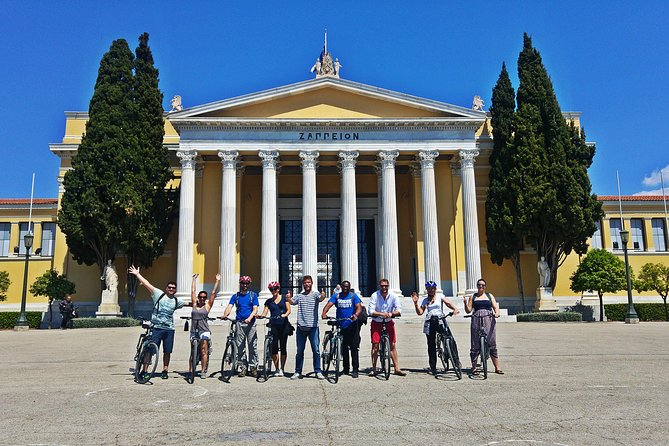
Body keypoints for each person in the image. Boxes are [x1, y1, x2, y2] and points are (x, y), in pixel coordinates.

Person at [128, 265, 189, 379]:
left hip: (169, 329)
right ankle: (145, 370)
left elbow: (190, 304)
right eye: (169, 287)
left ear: (175, 290)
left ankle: (165, 370)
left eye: (173, 288)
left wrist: (203, 303)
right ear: (166, 289)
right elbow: (147, 284)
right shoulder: (158, 294)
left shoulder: (177, 301)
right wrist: (137, 274)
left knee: (167, 351)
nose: (171, 289)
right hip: (156, 327)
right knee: (150, 351)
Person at [411, 281, 459, 375]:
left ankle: (456, 361)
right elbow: (420, 312)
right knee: (431, 345)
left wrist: (455, 309)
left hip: (440, 320)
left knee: (451, 339)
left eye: (432, 288)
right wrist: (416, 304)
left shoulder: (440, 297)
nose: (431, 290)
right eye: (429, 289)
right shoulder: (425, 301)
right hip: (430, 321)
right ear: (427, 290)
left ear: (435, 289)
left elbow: (448, 303)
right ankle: (433, 366)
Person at [287, 275, 326, 380]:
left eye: (308, 282)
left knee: (316, 351)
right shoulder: (299, 296)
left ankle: (318, 371)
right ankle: (298, 371)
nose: (307, 284)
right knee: (300, 351)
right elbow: (292, 302)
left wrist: (323, 295)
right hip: (301, 327)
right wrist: (288, 298)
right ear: (302, 284)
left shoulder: (315, 295)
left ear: (312, 283)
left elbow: (321, 298)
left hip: (313, 327)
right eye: (305, 283)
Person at [321, 280, 362, 378]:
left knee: (353, 348)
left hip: (352, 325)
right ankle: (346, 368)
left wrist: (356, 314)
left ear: (349, 287)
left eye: (347, 286)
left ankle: (355, 369)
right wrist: (324, 312)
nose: (345, 288)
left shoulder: (353, 296)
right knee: (343, 348)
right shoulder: (337, 296)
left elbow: (359, 307)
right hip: (341, 324)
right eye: (344, 286)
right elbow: (329, 304)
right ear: (341, 287)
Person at [463, 278, 504, 375]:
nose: (481, 286)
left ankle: (497, 367)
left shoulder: (489, 296)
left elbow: (495, 307)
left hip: (488, 319)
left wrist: (497, 313)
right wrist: (465, 303)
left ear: (485, 287)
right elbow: (468, 310)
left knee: (491, 342)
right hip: (476, 318)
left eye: (483, 285)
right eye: (479, 285)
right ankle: (474, 367)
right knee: (475, 343)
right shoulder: (473, 296)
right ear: (477, 286)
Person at [368, 278, 406, 376]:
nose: (384, 288)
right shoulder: (374, 295)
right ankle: (374, 369)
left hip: (389, 321)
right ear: (379, 286)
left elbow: (399, 310)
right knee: (375, 345)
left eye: (386, 286)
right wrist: (381, 314)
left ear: (388, 286)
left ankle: (397, 368)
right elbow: (371, 311)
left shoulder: (393, 296)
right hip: (377, 322)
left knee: (392, 345)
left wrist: (391, 313)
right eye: (382, 286)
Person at [223, 275, 259, 377]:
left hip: (250, 324)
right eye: (243, 283)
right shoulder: (236, 296)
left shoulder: (253, 295)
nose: (245, 285)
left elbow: (255, 309)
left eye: (247, 283)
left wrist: (250, 318)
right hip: (239, 323)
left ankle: (253, 367)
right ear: (240, 284)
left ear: (249, 285)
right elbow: (229, 306)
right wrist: (225, 314)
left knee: (252, 346)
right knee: (240, 346)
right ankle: (243, 367)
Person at [189, 273, 220, 378]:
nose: (202, 299)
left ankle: (203, 371)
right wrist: (194, 280)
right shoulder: (194, 304)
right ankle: (191, 371)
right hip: (193, 330)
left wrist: (217, 281)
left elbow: (213, 293)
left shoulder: (207, 306)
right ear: (198, 298)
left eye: (204, 297)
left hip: (204, 330)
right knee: (192, 351)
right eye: (200, 297)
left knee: (203, 350)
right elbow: (193, 291)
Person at [258, 281, 291, 377]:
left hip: (284, 325)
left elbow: (288, 310)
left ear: (278, 289)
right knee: (274, 348)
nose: (274, 291)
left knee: (283, 347)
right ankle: (277, 368)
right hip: (274, 325)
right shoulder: (268, 301)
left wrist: (284, 315)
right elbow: (265, 312)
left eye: (275, 289)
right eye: (272, 289)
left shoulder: (284, 298)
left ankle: (282, 368)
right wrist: (261, 316)